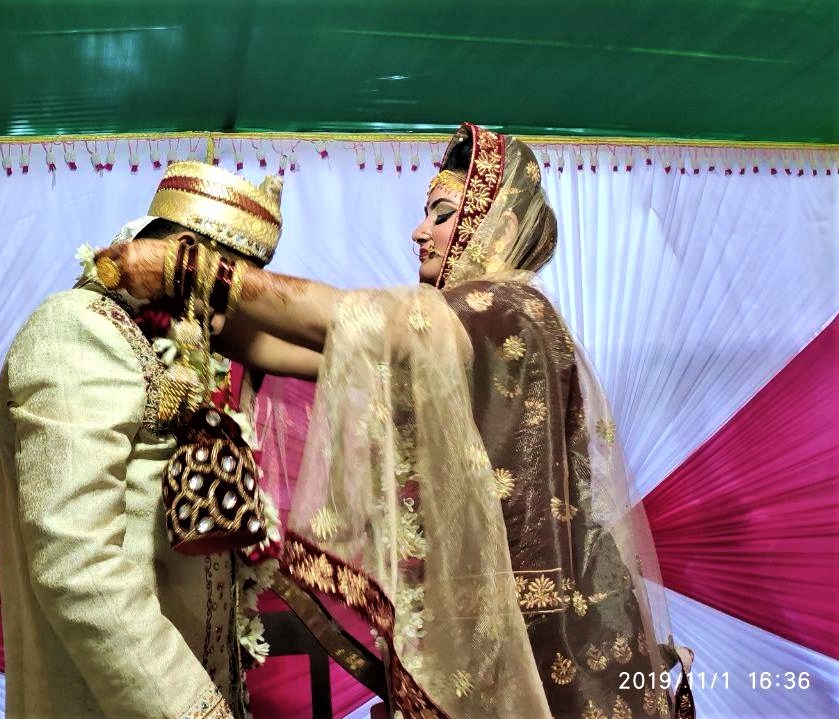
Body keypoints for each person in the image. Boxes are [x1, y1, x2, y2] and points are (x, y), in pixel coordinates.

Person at [95, 124, 693, 718]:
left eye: (441, 214)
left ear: (500, 227)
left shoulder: (508, 306)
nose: (419, 232)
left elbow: (344, 319)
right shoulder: (457, 334)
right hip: (493, 623)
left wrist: (190, 268)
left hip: (542, 637)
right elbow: (297, 349)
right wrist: (189, 309)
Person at [0, 161, 317, 719]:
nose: (236, 305)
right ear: (183, 255)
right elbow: (79, 566)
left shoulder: (188, 350)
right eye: (230, 282)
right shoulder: (75, 329)